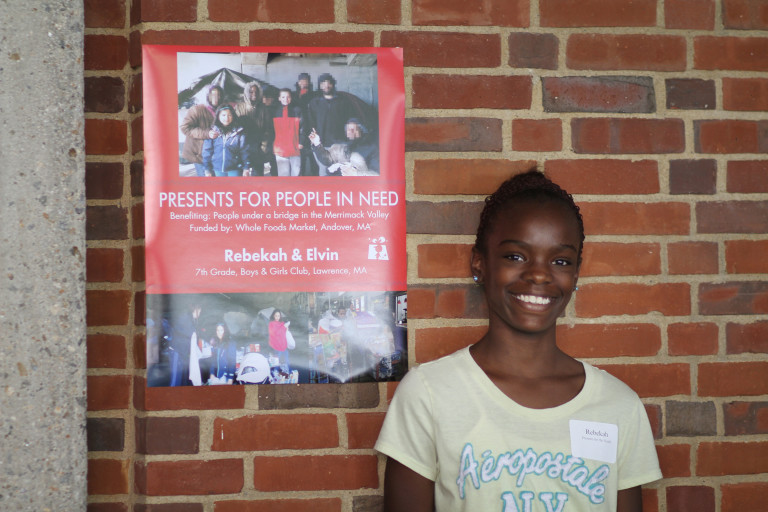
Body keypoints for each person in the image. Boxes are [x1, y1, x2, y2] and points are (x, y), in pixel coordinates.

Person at [375, 169, 662, 512]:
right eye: (515, 256)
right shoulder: (429, 394)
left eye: (560, 261)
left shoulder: (618, 406)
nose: (539, 274)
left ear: (575, 274)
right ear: (479, 263)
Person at [180, 85, 223, 176]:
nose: (216, 98)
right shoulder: (197, 110)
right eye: (213, 95)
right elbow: (185, 128)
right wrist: (207, 133)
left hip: (215, 154)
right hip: (199, 155)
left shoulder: (221, 110)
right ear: (207, 96)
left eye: (218, 95)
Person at [202, 105, 252, 177]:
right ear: (218, 116)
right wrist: (207, 169)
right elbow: (207, 151)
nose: (226, 118)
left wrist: (246, 167)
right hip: (218, 168)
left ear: (233, 116)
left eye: (229, 115)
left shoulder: (239, 131)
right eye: (223, 115)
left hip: (235, 168)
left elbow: (244, 150)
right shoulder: (213, 131)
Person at [234, 81, 272, 176]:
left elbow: (267, 128)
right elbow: (235, 128)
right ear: (247, 93)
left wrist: (264, 146)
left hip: (258, 148)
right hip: (243, 147)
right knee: (242, 177)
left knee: (258, 176)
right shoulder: (239, 107)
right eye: (251, 92)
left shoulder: (263, 108)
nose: (254, 94)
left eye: (256, 92)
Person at [272, 88, 303, 177]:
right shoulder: (274, 111)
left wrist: (301, 142)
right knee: (283, 175)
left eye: (288, 97)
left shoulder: (297, 110)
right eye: (283, 97)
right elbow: (271, 130)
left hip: (295, 147)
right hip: (280, 149)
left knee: (296, 174)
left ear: (291, 98)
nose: (286, 99)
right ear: (279, 98)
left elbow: (303, 127)